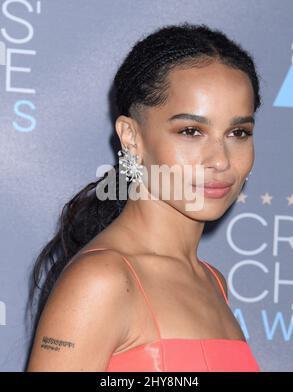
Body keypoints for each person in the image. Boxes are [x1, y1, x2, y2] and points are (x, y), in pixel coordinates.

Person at [26, 22, 262, 372]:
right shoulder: (102, 280)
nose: (221, 161)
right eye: (191, 131)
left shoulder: (213, 281)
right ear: (131, 137)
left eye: (238, 132)